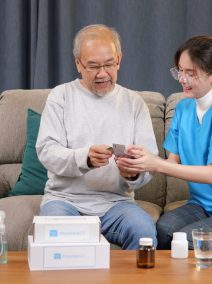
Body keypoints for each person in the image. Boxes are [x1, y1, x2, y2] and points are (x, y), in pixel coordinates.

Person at [116, 35, 212, 250]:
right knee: (164, 229)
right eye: (179, 71)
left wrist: (155, 164)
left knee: (185, 239)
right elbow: (171, 163)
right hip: (205, 204)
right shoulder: (183, 109)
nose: (182, 79)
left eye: (190, 73)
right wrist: (143, 159)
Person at [36, 24, 158, 249]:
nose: (102, 73)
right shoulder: (60, 97)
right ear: (78, 65)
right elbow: (46, 151)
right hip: (65, 201)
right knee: (52, 236)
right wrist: (86, 159)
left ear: (119, 60)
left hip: (116, 203)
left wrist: (133, 173)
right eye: (93, 66)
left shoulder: (134, 103)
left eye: (109, 64)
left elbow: (149, 162)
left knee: (144, 233)